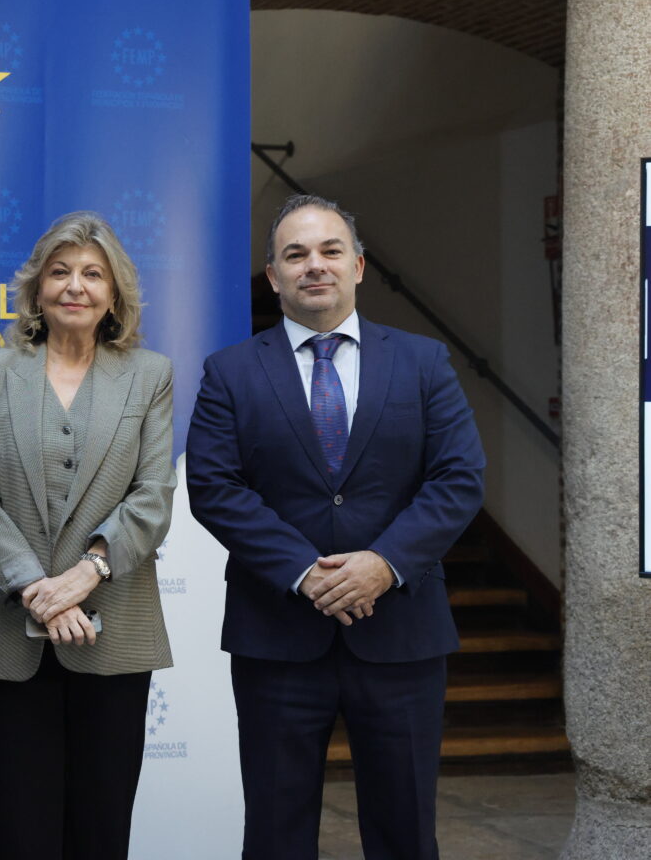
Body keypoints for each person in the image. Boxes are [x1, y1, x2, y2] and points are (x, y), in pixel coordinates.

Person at [186, 193, 486, 860]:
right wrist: (304, 572)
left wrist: (382, 564)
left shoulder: (424, 362)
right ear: (273, 276)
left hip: (401, 633)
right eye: (295, 255)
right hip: (278, 638)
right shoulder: (230, 372)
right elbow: (214, 487)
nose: (314, 265)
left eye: (330, 251)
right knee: (276, 833)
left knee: (406, 831)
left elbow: (459, 478)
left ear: (358, 266)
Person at [0, 211, 175, 860]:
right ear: (37, 288)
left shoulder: (150, 374)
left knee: (99, 831)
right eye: (60, 272)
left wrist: (85, 575)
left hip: (115, 634)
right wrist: (38, 591)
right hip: (9, 639)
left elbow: (153, 494)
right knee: (16, 832)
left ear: (114, 294)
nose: (75, 286)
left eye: (92, 274)